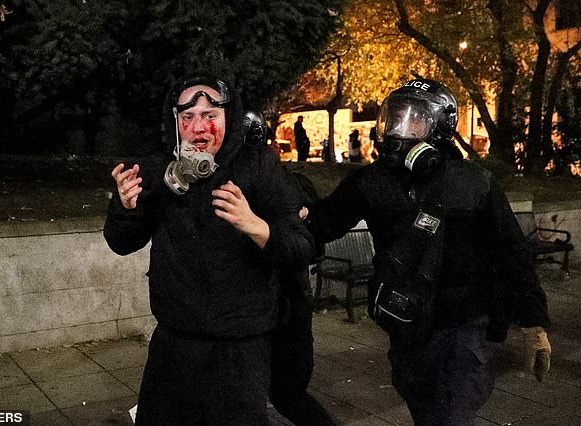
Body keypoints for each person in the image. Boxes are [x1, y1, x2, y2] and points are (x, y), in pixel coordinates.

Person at [304, 78, 552, 425]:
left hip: (465, 328)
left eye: (414, 118)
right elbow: (322, 222)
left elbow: (511, 252)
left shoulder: (474, 183)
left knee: (451, 417)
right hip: (407, 328)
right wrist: (285, 213)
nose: (399, 129)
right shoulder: (373, 182)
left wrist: (533, 324)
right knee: (426, 413)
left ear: (440, 128)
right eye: (395, 117)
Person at [104, 75, 313, 425]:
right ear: (175, 123)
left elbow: (300, 247)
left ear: (227, 120)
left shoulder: (258, 165)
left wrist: (255, 226)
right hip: (175, 343)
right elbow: (122, 243)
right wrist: (126, 208)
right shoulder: (159, 169)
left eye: (210, 116)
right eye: (188, 118)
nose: (199, 127)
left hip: (240, 347)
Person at [268, 171, 337, 426]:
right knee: (287, 393)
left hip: (287, 314)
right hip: (292, 311)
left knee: (288, 394)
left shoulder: (294, 228)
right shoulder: (298, 225)